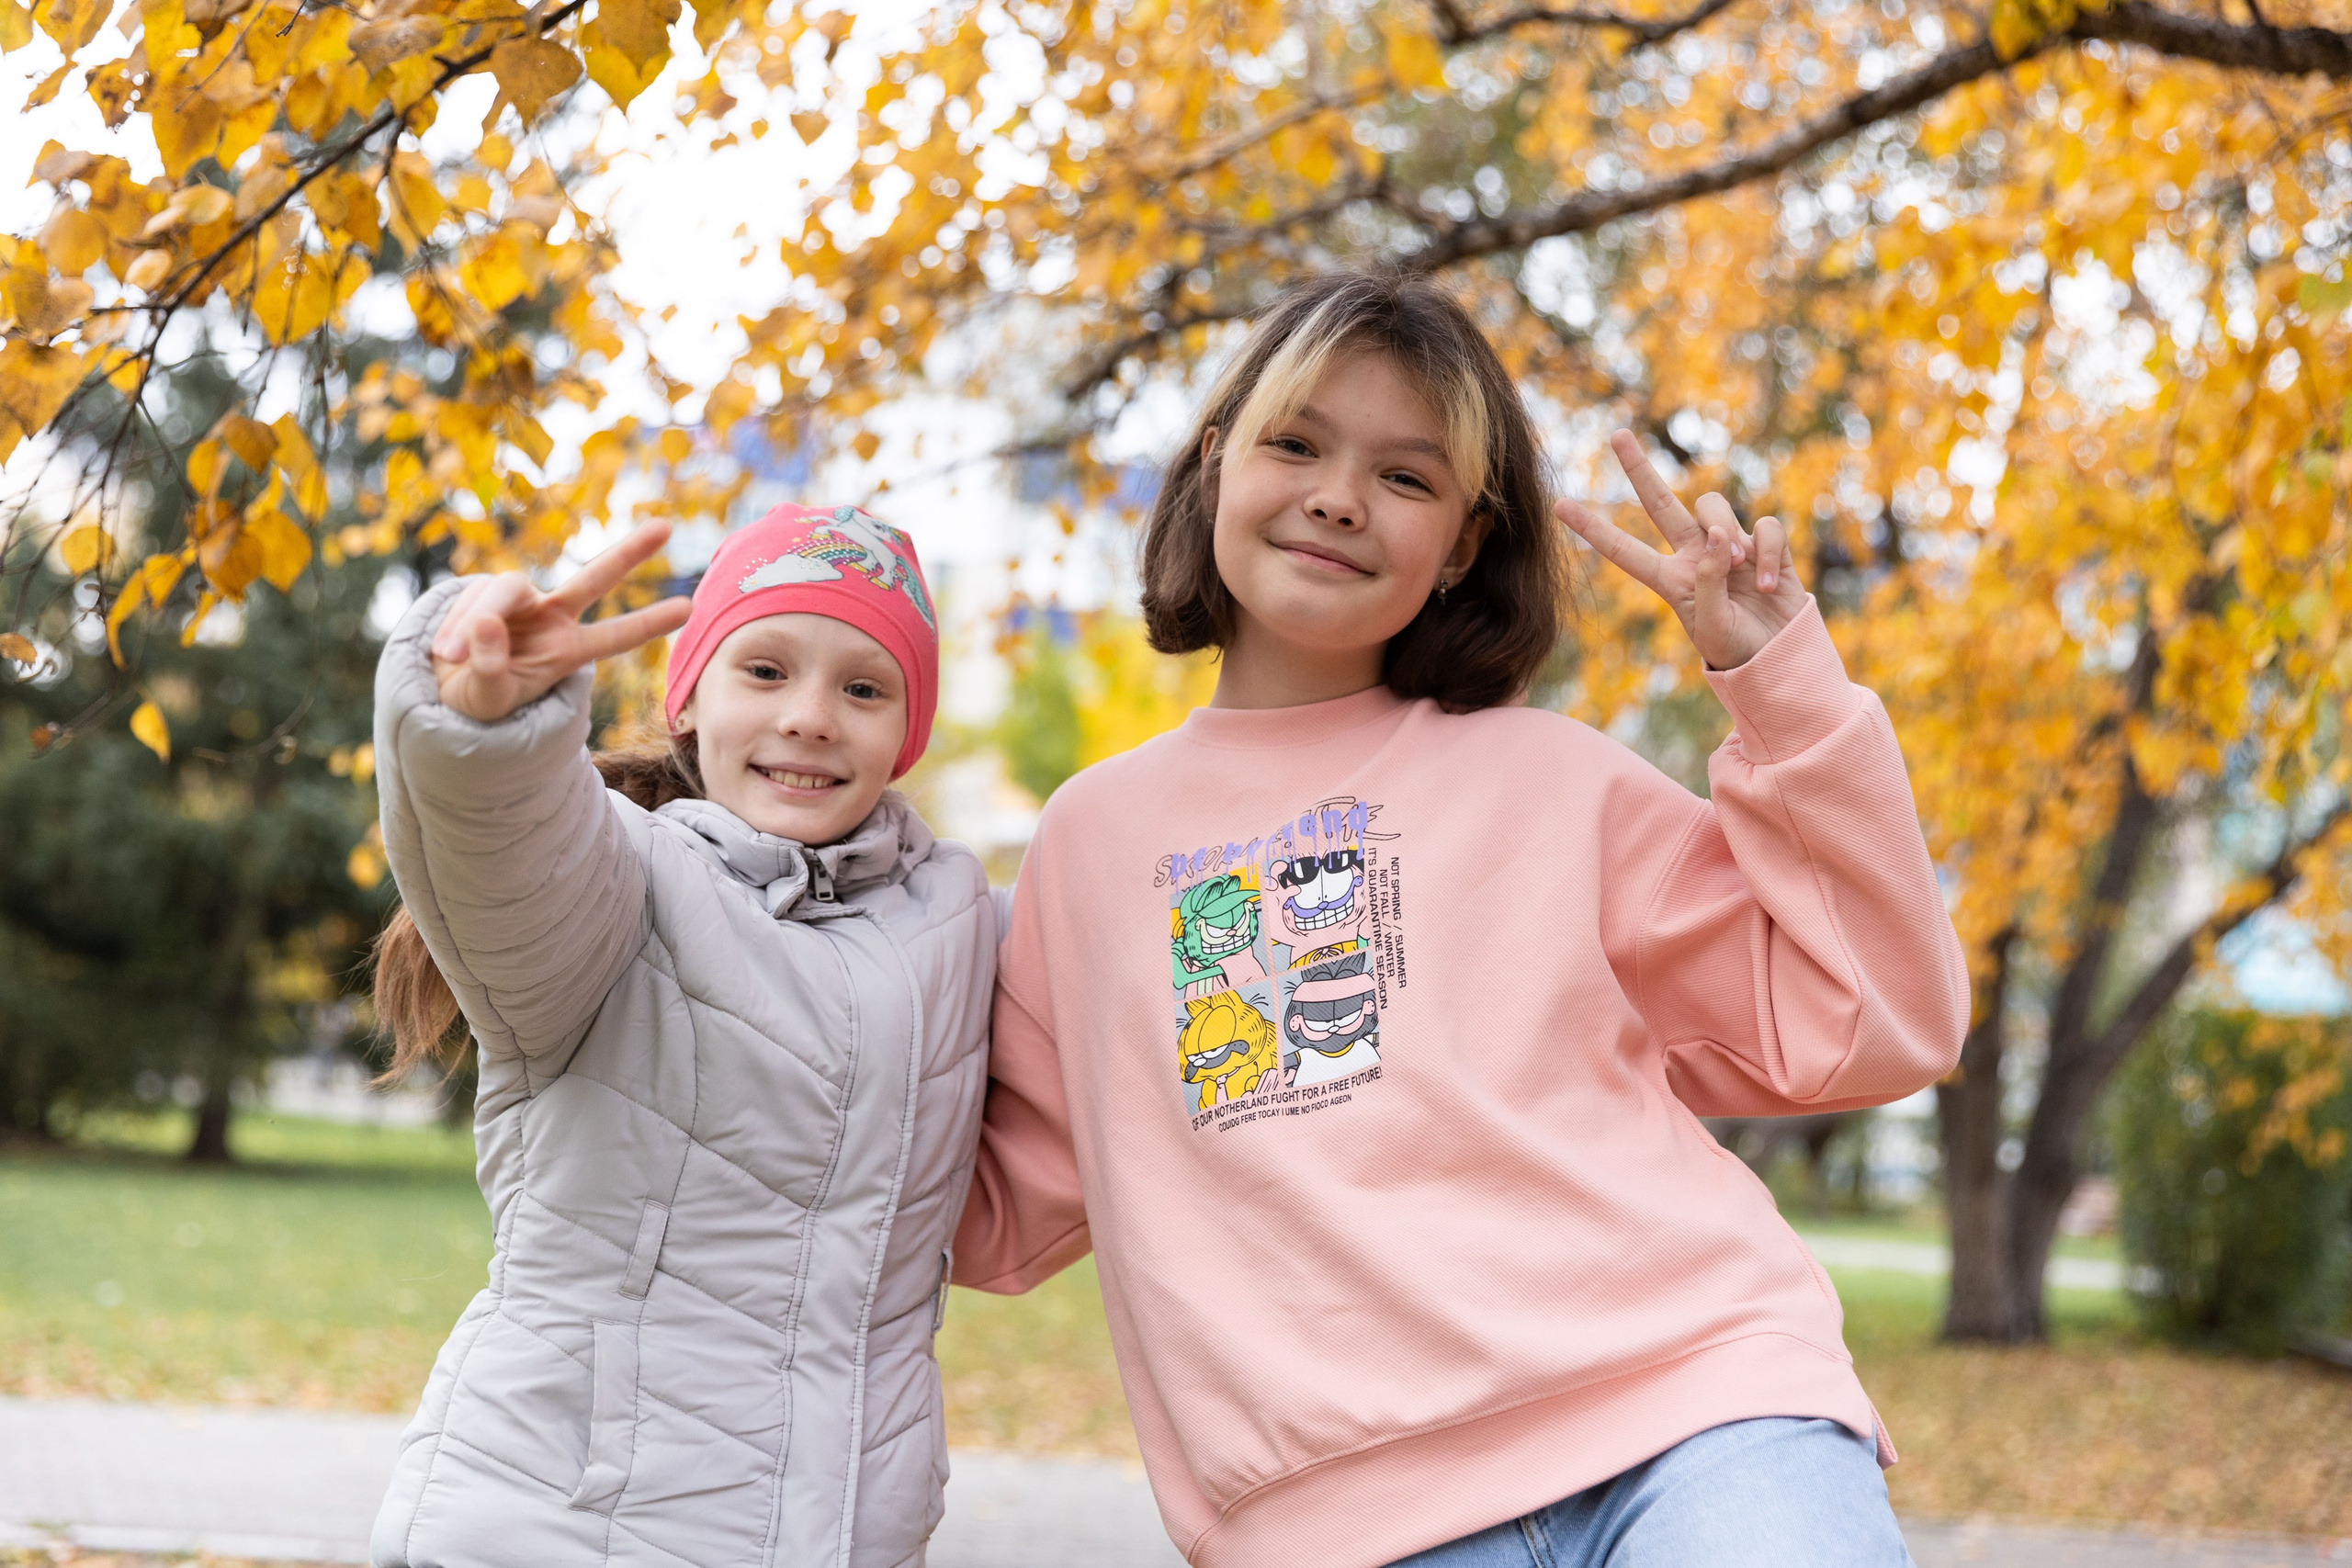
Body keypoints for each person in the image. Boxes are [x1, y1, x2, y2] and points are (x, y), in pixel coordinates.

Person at [953, 272, 1968, 1568]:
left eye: (1407, 477)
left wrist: (1784, 690)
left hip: (1700, 1411)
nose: (1337, 495)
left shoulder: (1559, 779)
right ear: (1216, 466)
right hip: (1344, 1518)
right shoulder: (1089, 847)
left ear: (1466, 543)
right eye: (1297, 443)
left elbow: (1880, 1020)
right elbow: (990, 1207)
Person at [366, 504, 995, 1567]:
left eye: (863, 686)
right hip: (558, 1525)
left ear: (908, 730)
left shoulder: (958, 924)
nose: (810, 717)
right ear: (688, 699)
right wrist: (483, 726)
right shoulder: (625, 879)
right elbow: (504, 838)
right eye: (764, 670)